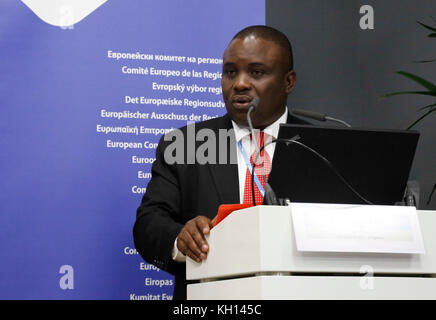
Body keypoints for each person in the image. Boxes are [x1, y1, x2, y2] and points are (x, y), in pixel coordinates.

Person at [133, 25, 308, 300]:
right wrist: (180, 238)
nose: (239, 83)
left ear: (288, 82)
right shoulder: (186, 144)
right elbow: (148, 225)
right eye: (230, 72)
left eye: (256, 72)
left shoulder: (320, 145)